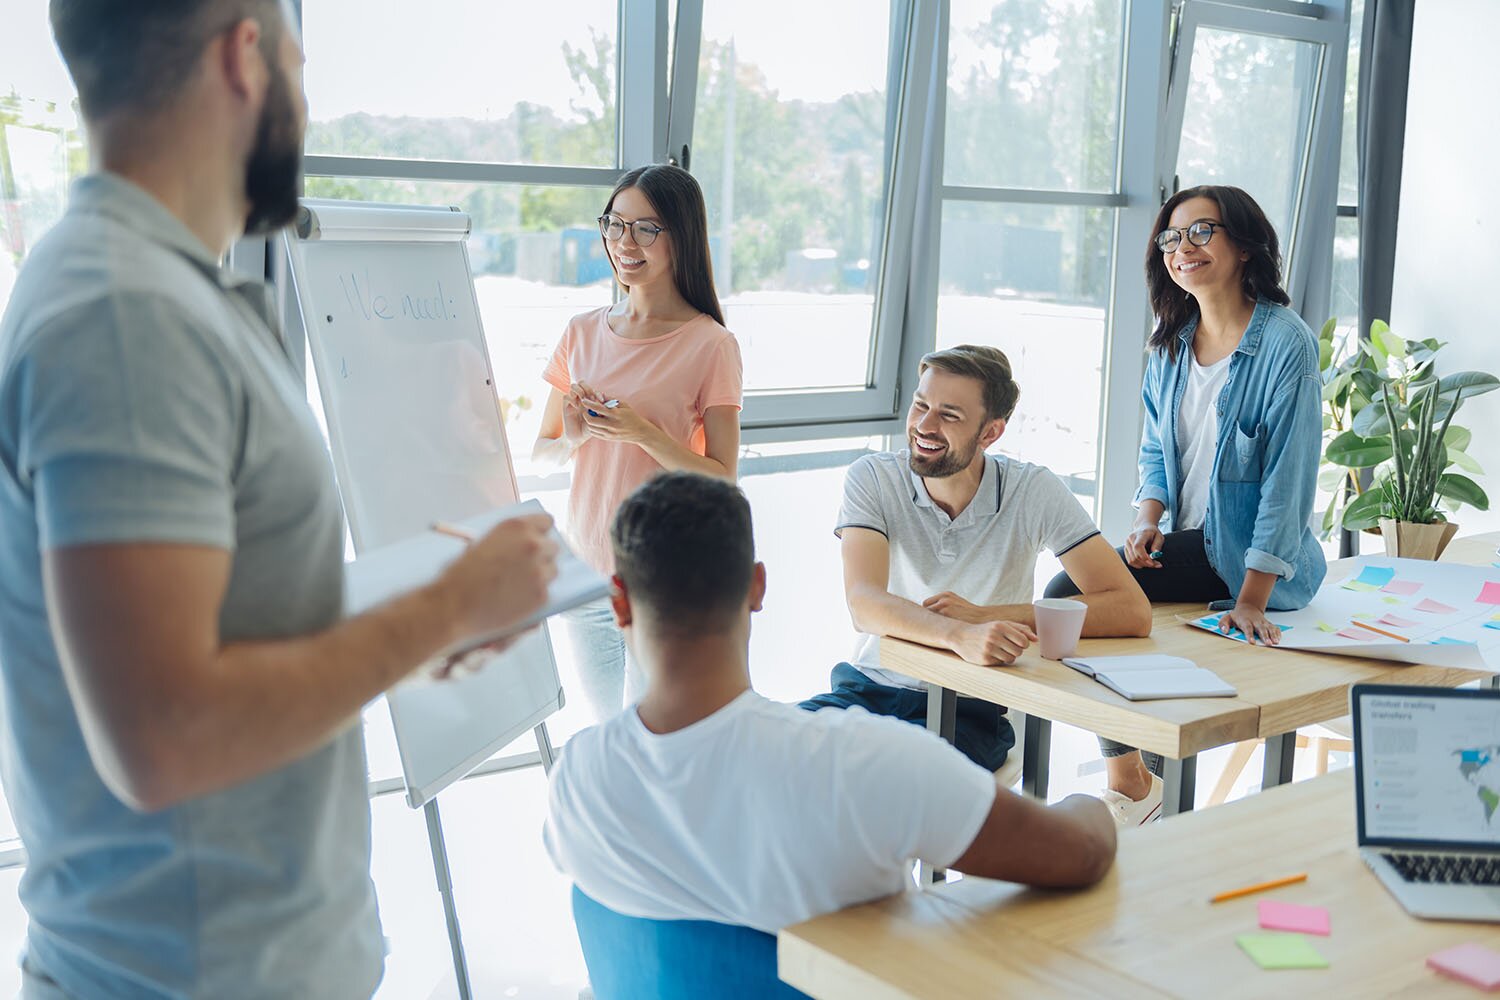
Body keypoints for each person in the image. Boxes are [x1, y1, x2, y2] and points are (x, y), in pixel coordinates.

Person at [0, 3, 559, 996]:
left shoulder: (161, 294)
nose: (305, 103)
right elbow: (165, 737)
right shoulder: (127, 318)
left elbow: (219, 618)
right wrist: (447, 606)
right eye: (301, 65)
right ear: (244, 56)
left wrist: (417, 612)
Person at [544, 472, 1116, 937]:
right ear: (757, 587)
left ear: (618, 602)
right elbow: (1081, 854)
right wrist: (1095, 800)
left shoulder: (578, 776)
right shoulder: (865, 764)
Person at [1045, 184, 1326, 823]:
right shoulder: (1171, 344)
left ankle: (1136, 787)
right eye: (1171, 237)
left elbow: (1290, 485)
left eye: (1201, 232)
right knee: (1075, 593)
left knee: (1072, 596)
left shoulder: (1287, 344)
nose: (1182, 247)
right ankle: (1135, 781)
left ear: (1245, 246)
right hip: (1188, 543)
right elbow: (1154, 456)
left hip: (1248, 559)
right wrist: (1147, 521)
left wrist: (1252, 599)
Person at [800, 345, 1152, 779]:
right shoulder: (873, 477)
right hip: (868, 691)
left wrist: (988, 617)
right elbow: (864, 602)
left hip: (969, 712)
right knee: (762, 755)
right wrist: (958, 633)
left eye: (949, 415)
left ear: (990, 433)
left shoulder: (1033, 491)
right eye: (921, 405)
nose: (924, 426)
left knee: (876, 784)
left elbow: (1130, 609)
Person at [534, 164, 742, 720]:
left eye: (646, 229)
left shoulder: (711, 344)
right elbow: (543, 451)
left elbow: (723, 476)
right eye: (614, 224)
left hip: (664, 578)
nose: (624, 244)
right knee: (604, 732)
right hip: (585, 573)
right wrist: (575, 437)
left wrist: (642, 433)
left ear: (682, 236)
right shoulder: (580, 331)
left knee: (653, 737)